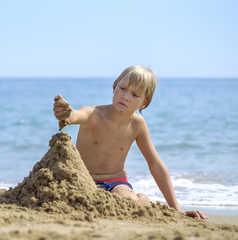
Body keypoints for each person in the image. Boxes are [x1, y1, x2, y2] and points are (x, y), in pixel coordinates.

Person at [53, 65, 207, 219]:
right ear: (114, 88)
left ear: (144, 103)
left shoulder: (137, 125)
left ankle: (143, 200)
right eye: (122, 88)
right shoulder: (93, 113)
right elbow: (75, 115)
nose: (125, 96)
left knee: (127, 201)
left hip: (116, 182)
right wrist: (67, 113)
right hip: (83, 180)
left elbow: (156, 165)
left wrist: (177, 209)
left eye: (135, 94)